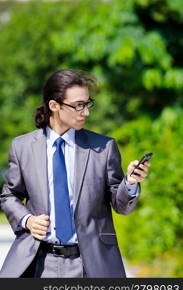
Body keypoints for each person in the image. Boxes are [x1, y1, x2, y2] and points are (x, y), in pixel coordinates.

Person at [0, 69, 150, 278]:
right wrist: (27, 220)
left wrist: (131, 182)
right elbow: (9, 196)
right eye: (78, 105)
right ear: (54, 106)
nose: (86, 112)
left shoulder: (103, 148)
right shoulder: (23, 147)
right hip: (38, 263)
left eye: (87, 104)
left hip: (90, 265)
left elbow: (120, 205)